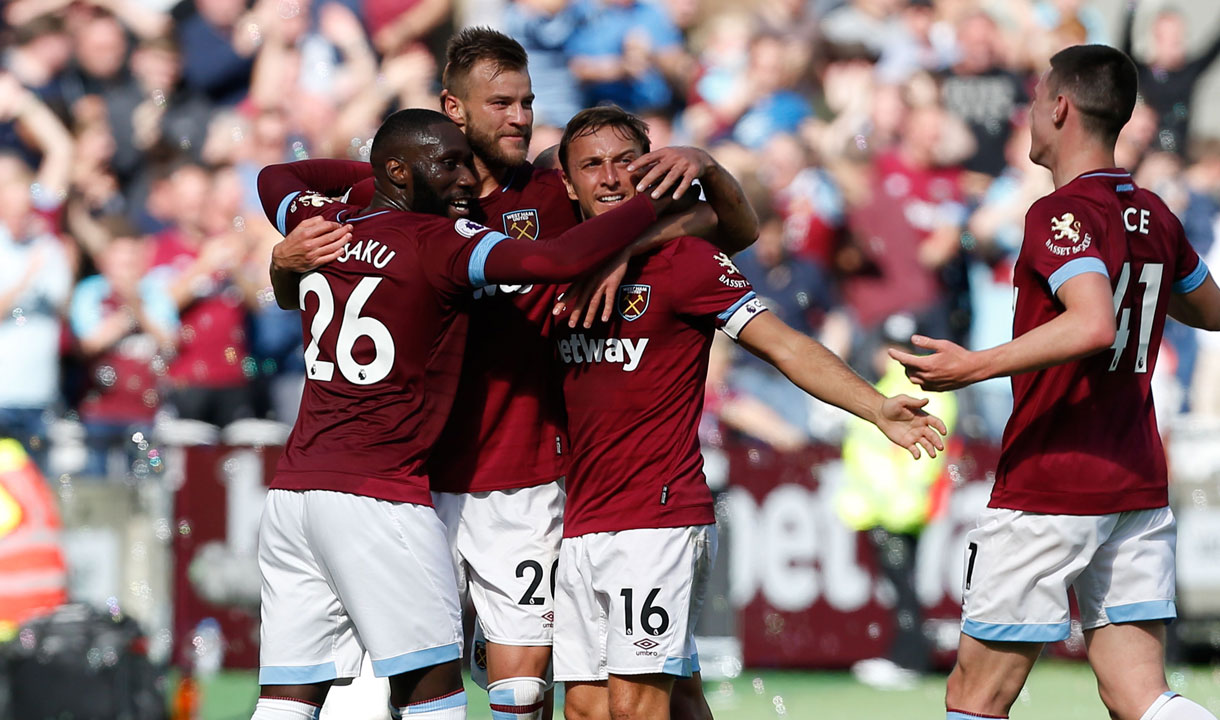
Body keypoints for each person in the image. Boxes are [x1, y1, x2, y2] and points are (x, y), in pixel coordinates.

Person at [272, 27, 758, 720]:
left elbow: (728, 225)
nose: (522, 117)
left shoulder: (558, 186)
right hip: (415, 479)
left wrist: (627, 244)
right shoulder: (417, 194)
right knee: (395, 682)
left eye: (527, 101)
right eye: (501, 102)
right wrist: (283, 262)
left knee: (530, 691)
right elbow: (284, 180)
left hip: (525, 473)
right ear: (453, 108)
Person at [550, 105, 947, 720]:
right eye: (591, 166)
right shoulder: (551, 261)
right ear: (567, 183)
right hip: (581, 518)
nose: (608, 177)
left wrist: (875, 407)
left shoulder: (686, 262)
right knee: (588, 709)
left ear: (649, 170)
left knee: (634, 708)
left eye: (624, 162)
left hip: (656, 517)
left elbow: (783, 341)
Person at [890, 45, 1220, 720]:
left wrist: (972, 364)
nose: (1030, 114)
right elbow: (1210, 309)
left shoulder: (1058, 213)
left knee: (974, 698)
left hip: (1053, 483)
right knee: (1139, 696)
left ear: (1061, 107)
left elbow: (1094, 323)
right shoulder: (1153, 213)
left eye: (1036, 100)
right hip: (1134, 479)